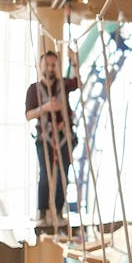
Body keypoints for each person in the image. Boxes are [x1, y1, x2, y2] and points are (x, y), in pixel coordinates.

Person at [25, 50, 78, 226]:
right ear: (40, 67)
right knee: (45, 175)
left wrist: (75, 63)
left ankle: (58, 212)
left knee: (63, 174)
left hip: (64, 136)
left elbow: (78, 83)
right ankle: (42, 212)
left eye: (53, 65)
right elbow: (29, 114)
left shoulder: (63, 84)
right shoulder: (34, 89)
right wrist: (47, 107)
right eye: (47, 65)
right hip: (45, 137)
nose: (50, 68)